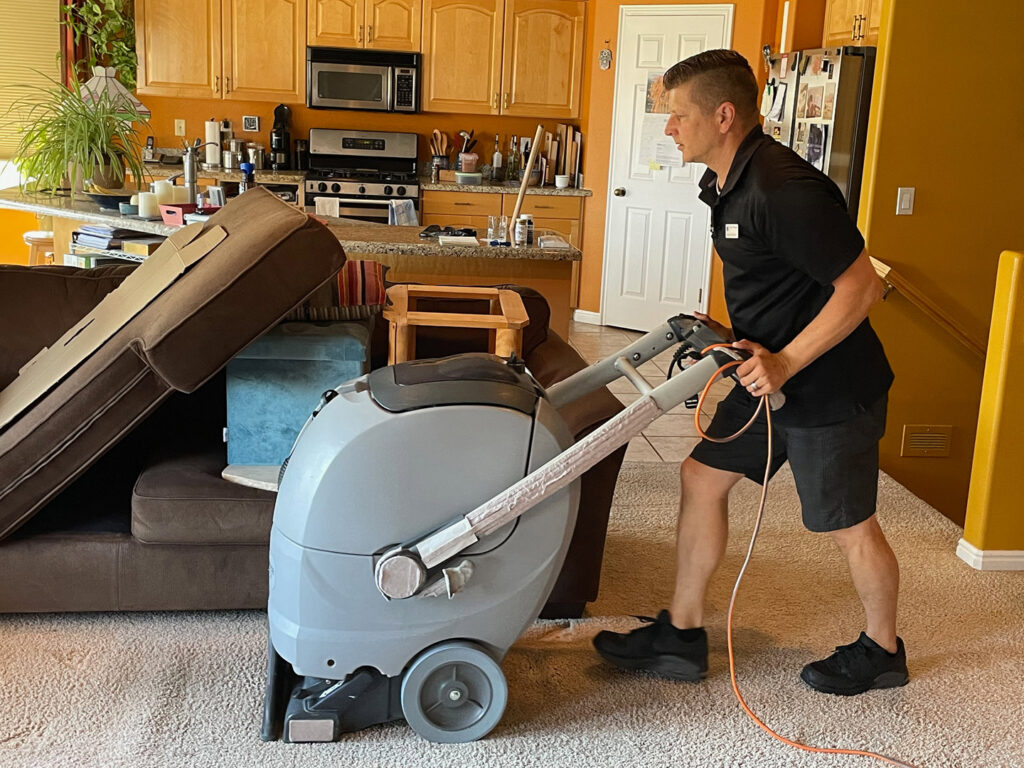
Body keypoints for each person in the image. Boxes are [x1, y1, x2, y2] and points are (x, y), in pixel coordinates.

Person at [593, 49, 908, 696]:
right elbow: (783, 277)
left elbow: (860, 289)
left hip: (827, 384)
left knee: (847, 526)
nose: (670, 128)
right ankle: (682, 635)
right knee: (701, 476)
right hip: (765, 371)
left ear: (724, 115)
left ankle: (883, 650)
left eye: (679, 115)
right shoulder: (728, 182)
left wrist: (789, 358)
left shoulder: (782, 190)